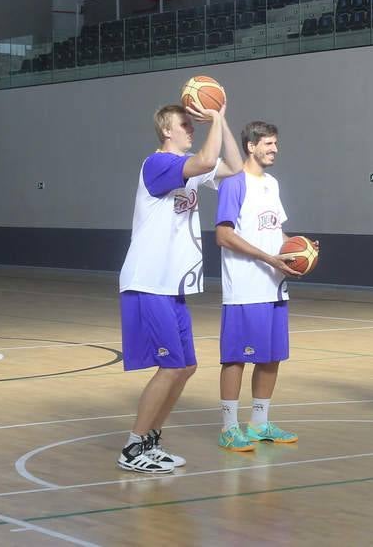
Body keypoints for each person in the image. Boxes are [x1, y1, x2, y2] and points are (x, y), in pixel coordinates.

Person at [117, 102, 243, 473]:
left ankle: (151, 441)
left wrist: (222, 119)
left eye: (192, 123)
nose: (191, 128)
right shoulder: (158, 164)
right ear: (166, 131)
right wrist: (214, 119)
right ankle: (132, 447)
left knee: (186, 366)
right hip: (147, 281)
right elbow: (207, 160)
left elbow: (235, 167)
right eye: (185, 124)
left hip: (171, 286)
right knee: (171, 367)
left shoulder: (188, 170)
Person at [214, 121, 304, 451]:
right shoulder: (234, 183)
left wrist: (300, 251)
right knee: (236, 358)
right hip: (245, 287)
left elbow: (277, 232)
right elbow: (223, 236)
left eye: (276, 143)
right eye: (268, 143)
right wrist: (268, 258)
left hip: (274, 286)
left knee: (271, 357)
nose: (274, 149)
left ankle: (259, 423)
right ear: (251, 146)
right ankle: (228, 428)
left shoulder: (272, 184)